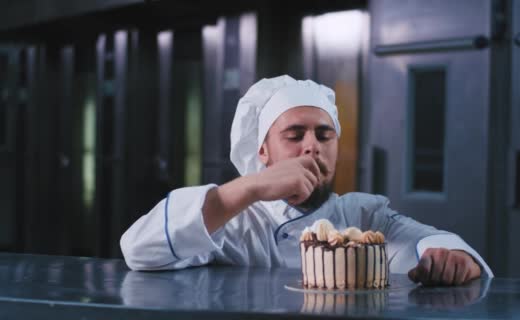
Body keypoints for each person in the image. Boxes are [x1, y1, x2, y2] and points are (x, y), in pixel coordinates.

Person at [121, 75, 493, 286]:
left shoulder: (363, 216)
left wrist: (455, 259)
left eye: (323, 135)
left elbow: (429, 245)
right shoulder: (231, 221)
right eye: (295, 135)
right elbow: (140, 250)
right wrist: (251, 186)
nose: (311, 148)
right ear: (263, 151)